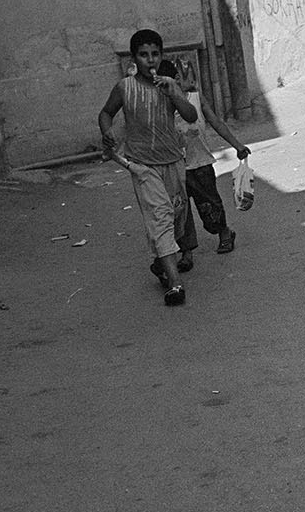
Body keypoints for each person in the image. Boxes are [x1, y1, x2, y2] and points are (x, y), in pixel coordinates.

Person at [99, 29, 198, 307]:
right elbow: (106, 113)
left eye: (155, 54)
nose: (150, 60)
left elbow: (191, 116)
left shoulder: (169, 85)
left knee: (177, 216)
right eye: (144, 55)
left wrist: (175, 93)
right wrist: (107, 131)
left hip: (173, 161)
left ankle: (161, 263)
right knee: (160, 217)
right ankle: (176, 284)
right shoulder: (124, 88)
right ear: (134, 58)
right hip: (142, 166)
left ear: (161, 56)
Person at [157, 59, 250, 266]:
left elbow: (216, 122)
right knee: (180, 212)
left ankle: (224, 232)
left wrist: (237, 146)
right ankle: (186, 252)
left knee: (209, 205)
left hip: (200, 164)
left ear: (176, 80)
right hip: (175, 167)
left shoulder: (195, 98)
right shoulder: (160, 106)